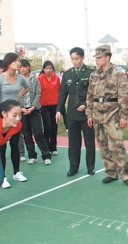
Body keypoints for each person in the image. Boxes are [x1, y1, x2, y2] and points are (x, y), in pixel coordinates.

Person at [86, 45, 128, 186]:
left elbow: (125, 96)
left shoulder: (118, 74)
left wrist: (123, 116)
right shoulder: (93, 75)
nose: (97, 60)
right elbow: (89, 96)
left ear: (108, 57)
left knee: (117, 145)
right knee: (103, 145)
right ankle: (111, 172)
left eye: (100, 57)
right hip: (97, 113)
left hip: (113, 113)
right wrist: (89, 114)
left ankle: (125, 174)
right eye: (96, 57)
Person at [0, 52, 30, 188]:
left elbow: (27, 87)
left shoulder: (20, 78)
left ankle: (17, 172)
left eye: (18, 60)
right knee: (1, 147)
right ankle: (2, 176)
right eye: (15, 61)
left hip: (15, 117)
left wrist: (18, 98)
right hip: (3, 118)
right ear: (8, 63)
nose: (18, 63)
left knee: (15, 144)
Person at [56, 47, 95, 176]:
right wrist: (58, 111)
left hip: (86, 114)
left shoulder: (90, 73)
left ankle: (90, 167)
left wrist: (85, 105)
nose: (75, 61)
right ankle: (73, 167)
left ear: (83, 57)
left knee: (89, 142)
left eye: (77, 58)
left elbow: (94, 93)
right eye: (72, 59)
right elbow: (63, 94)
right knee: (73, 143)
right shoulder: (68, 74)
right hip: (72, 114)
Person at [19, 59, 51, 165]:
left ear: (28, 67)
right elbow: (16, 96)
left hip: (34, 110)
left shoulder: (35, 79)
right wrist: (22, 108)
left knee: (38, 133)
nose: (22, 69)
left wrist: (33, 107)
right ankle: (32, 155)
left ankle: (46, 156)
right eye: (20, 67)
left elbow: (38, 94)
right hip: (22, 111)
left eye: (24, 66)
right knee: (27, 134)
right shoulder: (17, 80)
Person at [38, 60, 61, 156]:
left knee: (54, 127)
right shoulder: (39, 78)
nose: (48, 70)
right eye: (46, 68)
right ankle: (46, 147)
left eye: (50, 68)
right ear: (43, 69)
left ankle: (53, 147)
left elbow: (60, 91)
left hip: (55, 105)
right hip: (44, 106)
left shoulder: (57, 78)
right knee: (47, 127)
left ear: (53, 69)